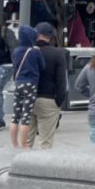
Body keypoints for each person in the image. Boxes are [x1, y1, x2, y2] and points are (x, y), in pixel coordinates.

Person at [28, 22, 69, 150]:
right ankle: (41, 169)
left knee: (26, 142)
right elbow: (61, 81)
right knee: (45, 143)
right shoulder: (57, 53)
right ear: (50, 37)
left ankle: (21, 167)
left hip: (27, 100)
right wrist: (59, 102)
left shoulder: (27, 52)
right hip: (48, 99)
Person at [9, 25, 46, 149]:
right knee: (26, 116)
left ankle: (14, 144)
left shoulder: (16, 51)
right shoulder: (35, 51)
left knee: (15, 116)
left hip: (18, 83)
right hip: (30, 84)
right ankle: (24, 144)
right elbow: (43, 66)